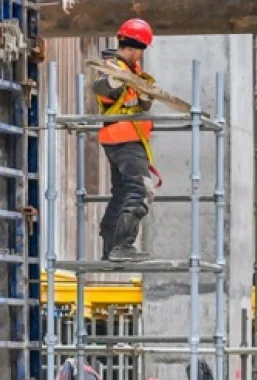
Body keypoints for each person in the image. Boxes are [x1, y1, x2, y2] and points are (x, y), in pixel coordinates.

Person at [92, 18, 158, 262]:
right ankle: (122, 246)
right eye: (142, 49)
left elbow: (143, 105)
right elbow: (102, 88)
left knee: (121, 194)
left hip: (122, 140)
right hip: (125, 140)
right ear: (135, 46)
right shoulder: (113, 69)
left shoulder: (133, 73)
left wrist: (144, 94)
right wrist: (116, 80)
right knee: (140, 191)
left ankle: (111, 247)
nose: (142, 54)